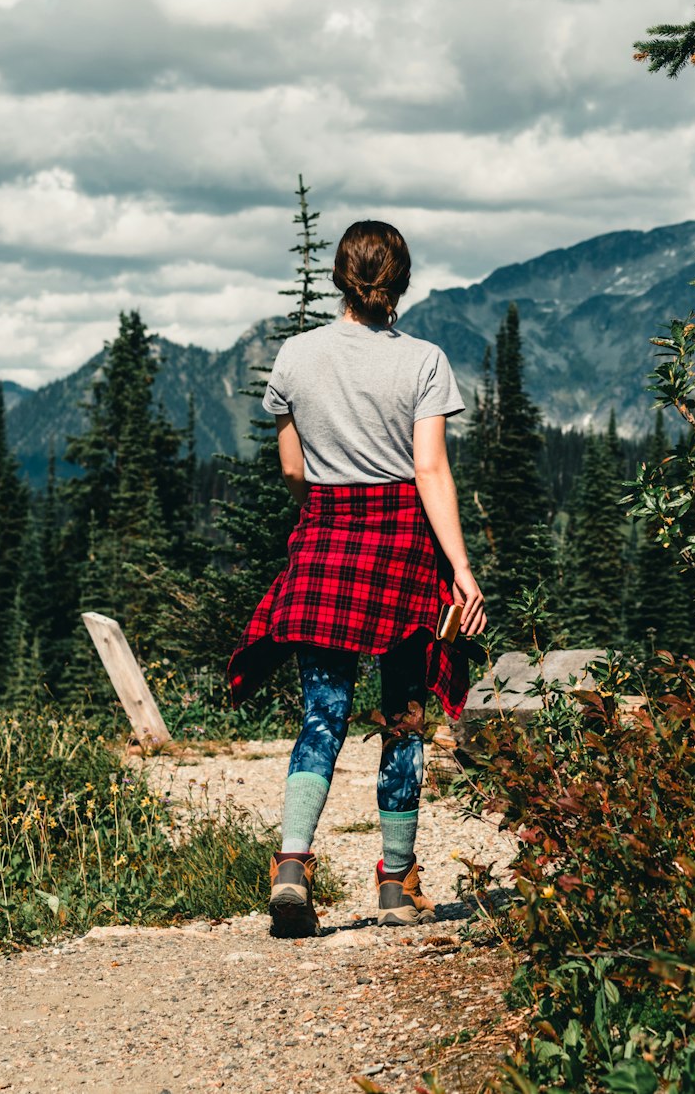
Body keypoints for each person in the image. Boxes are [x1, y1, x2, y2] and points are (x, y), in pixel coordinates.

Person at [227, 219, 487, 939]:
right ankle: (397, 883)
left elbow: (290, 469)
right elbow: (430, 469)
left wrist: (332, 505)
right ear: (400, 282)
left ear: (343, 278)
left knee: (323, 713)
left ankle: (292, 865)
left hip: (326, 540)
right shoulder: (424, 361)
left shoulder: (295, 356)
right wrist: (461, 570)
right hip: (403, 544)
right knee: (403, 714)